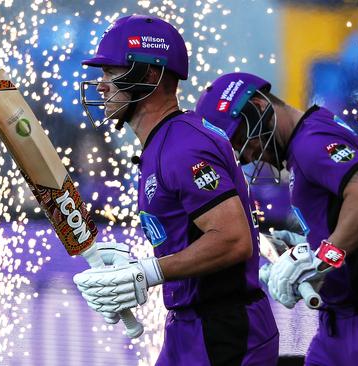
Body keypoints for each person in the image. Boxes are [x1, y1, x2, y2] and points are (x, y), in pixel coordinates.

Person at [72, 17, 279, 366]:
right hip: (193, 325)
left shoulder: (182, 146)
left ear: (151, 76)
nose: (103, 85)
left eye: (112, 73)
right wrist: (134, 265)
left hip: (223, 331)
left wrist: (146, 273)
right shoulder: (167, 141)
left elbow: (233, 240)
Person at [195, 72, 358, 366]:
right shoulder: (315, 131)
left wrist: (324, 258)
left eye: (240, 139)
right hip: (343, 323)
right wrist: (314, 242)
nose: (246, 156)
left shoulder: (309, 142)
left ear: (259, 106)